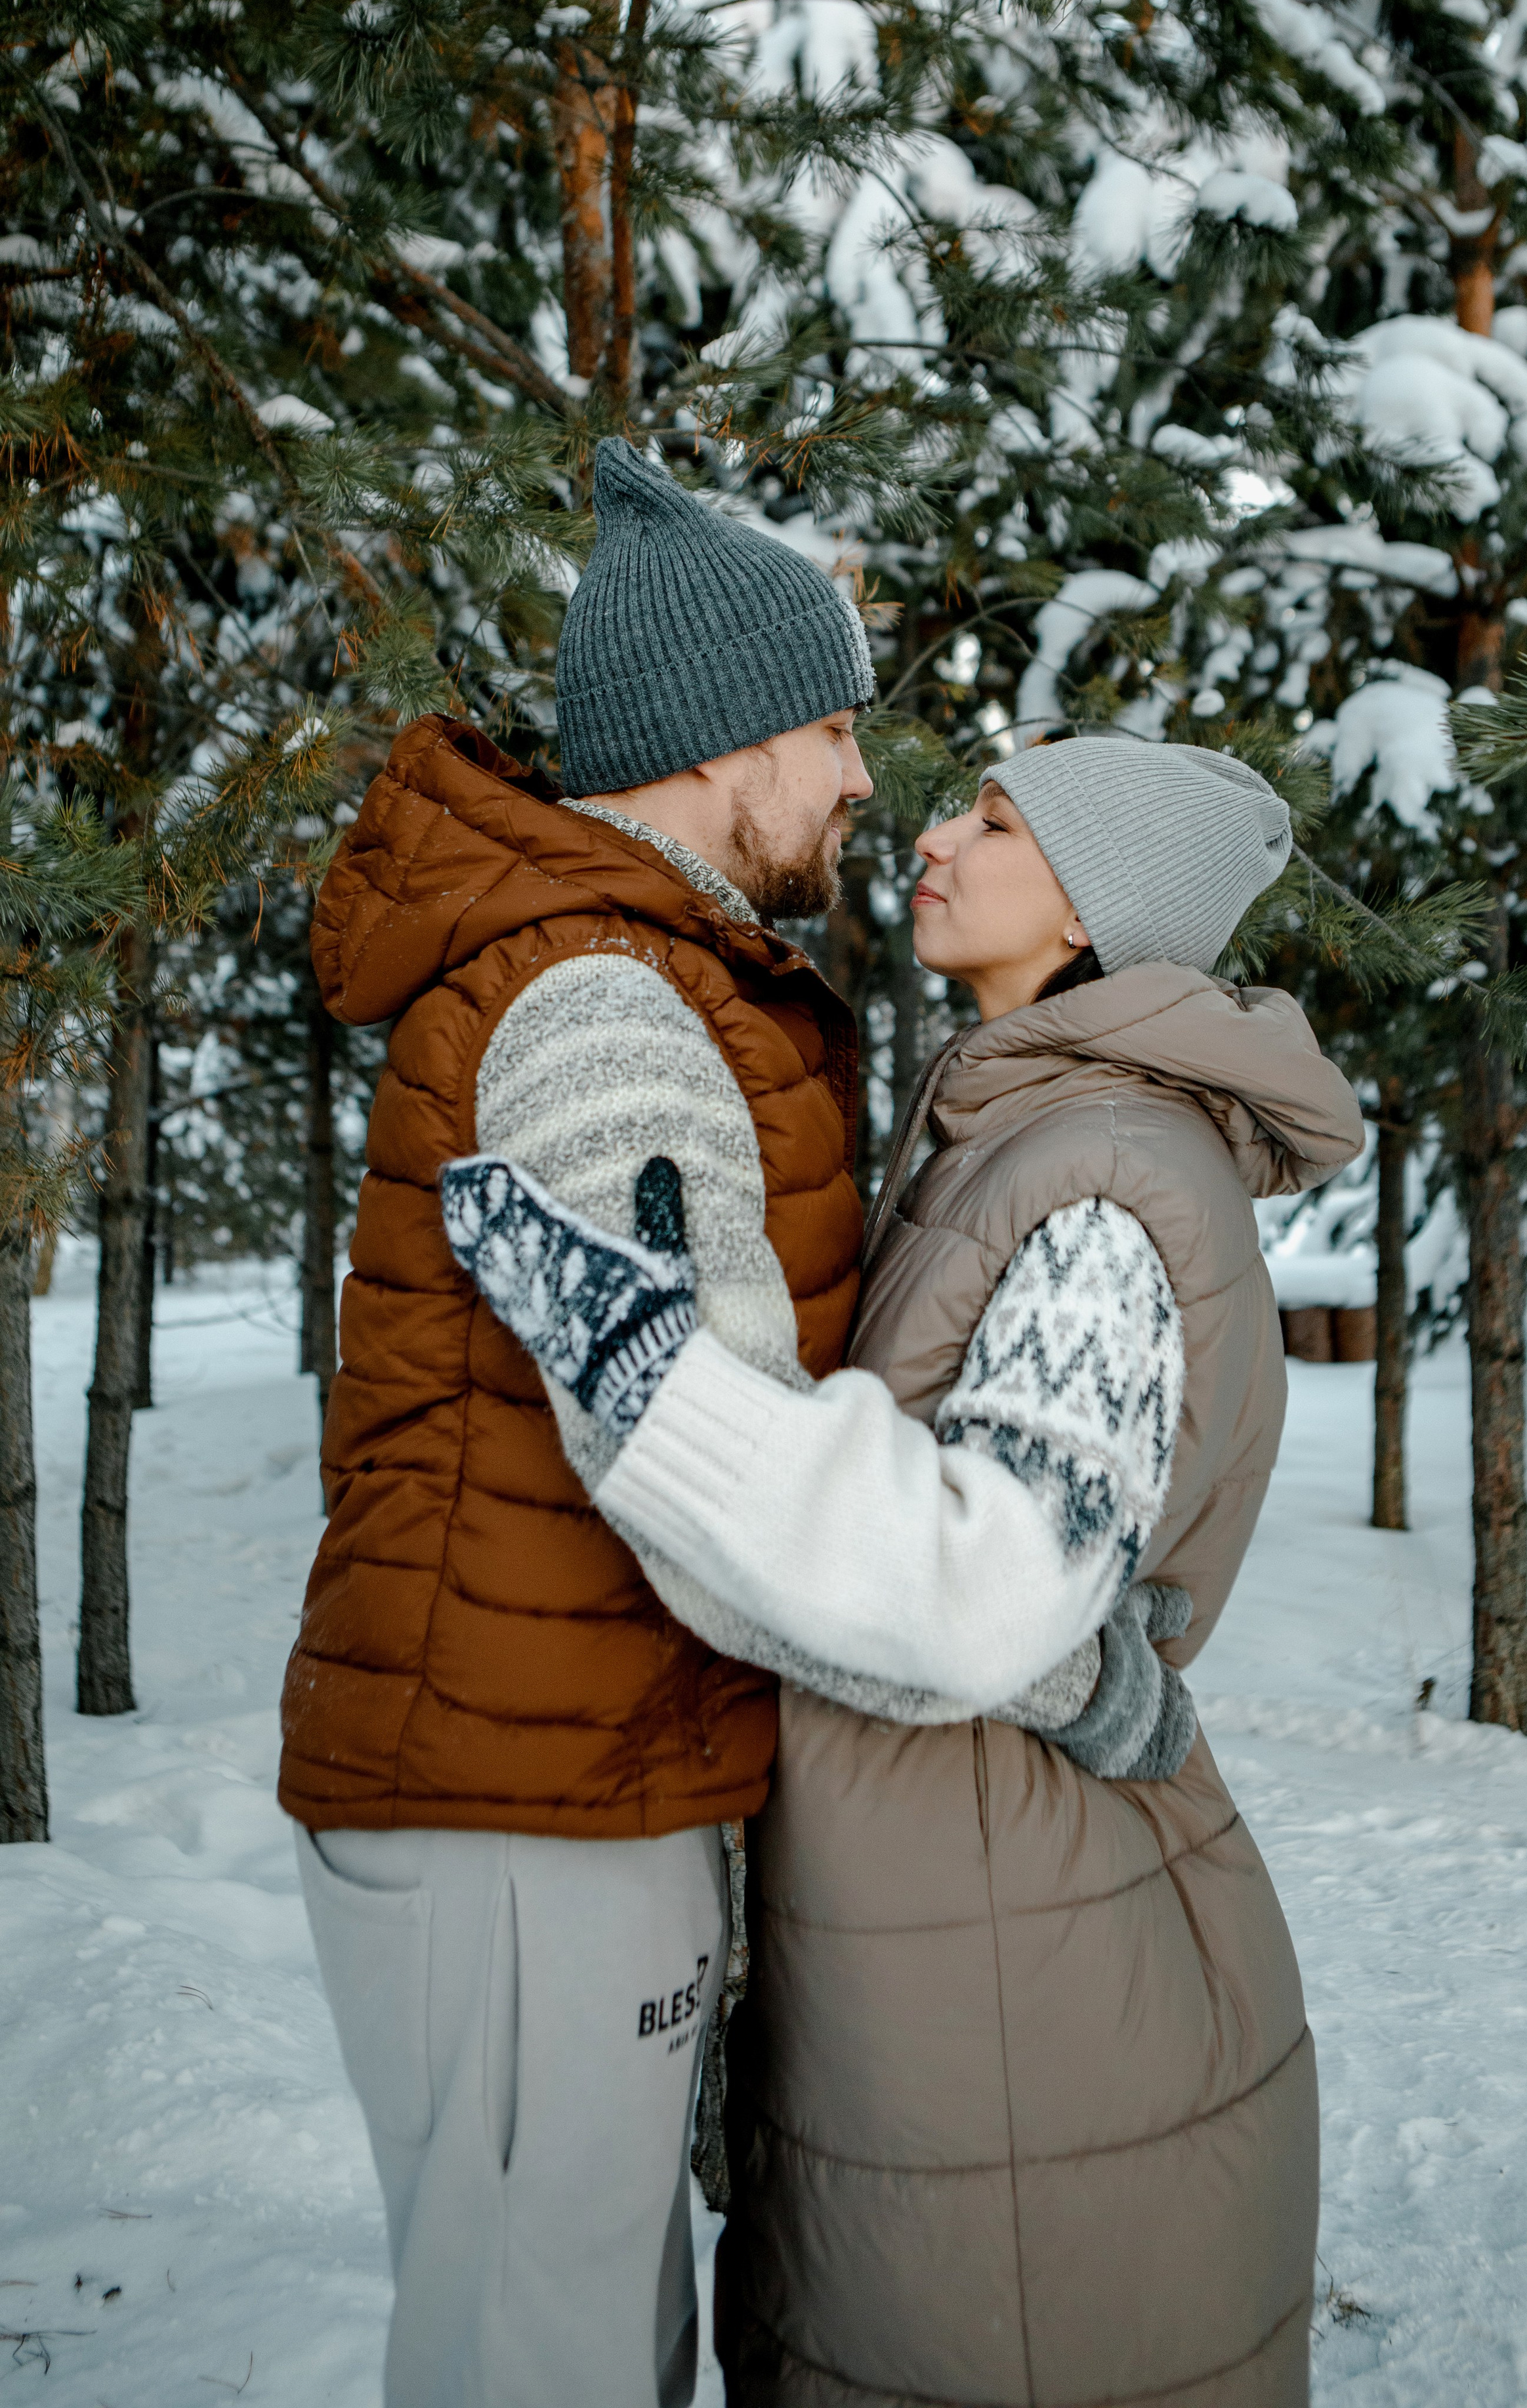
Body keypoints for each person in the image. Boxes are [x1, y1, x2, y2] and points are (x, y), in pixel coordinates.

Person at [441, 732, 1368, 2407]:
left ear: (1096, 912)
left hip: (1014, 1952)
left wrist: (651, 1377)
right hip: (946, 1897)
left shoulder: (1103, 1182)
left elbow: (999, 1580)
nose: (932, 826)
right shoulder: (1011, 1130)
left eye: (997, 821)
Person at [276, 435, 888, 2408]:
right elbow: (695, 1453)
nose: (862, 778)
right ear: (727, 742)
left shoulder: (634, 964)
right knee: (534, 2361)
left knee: (594, 2339)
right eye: (831, 727)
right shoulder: (601, 1000)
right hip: (515, 1813)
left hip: (566, 1779)